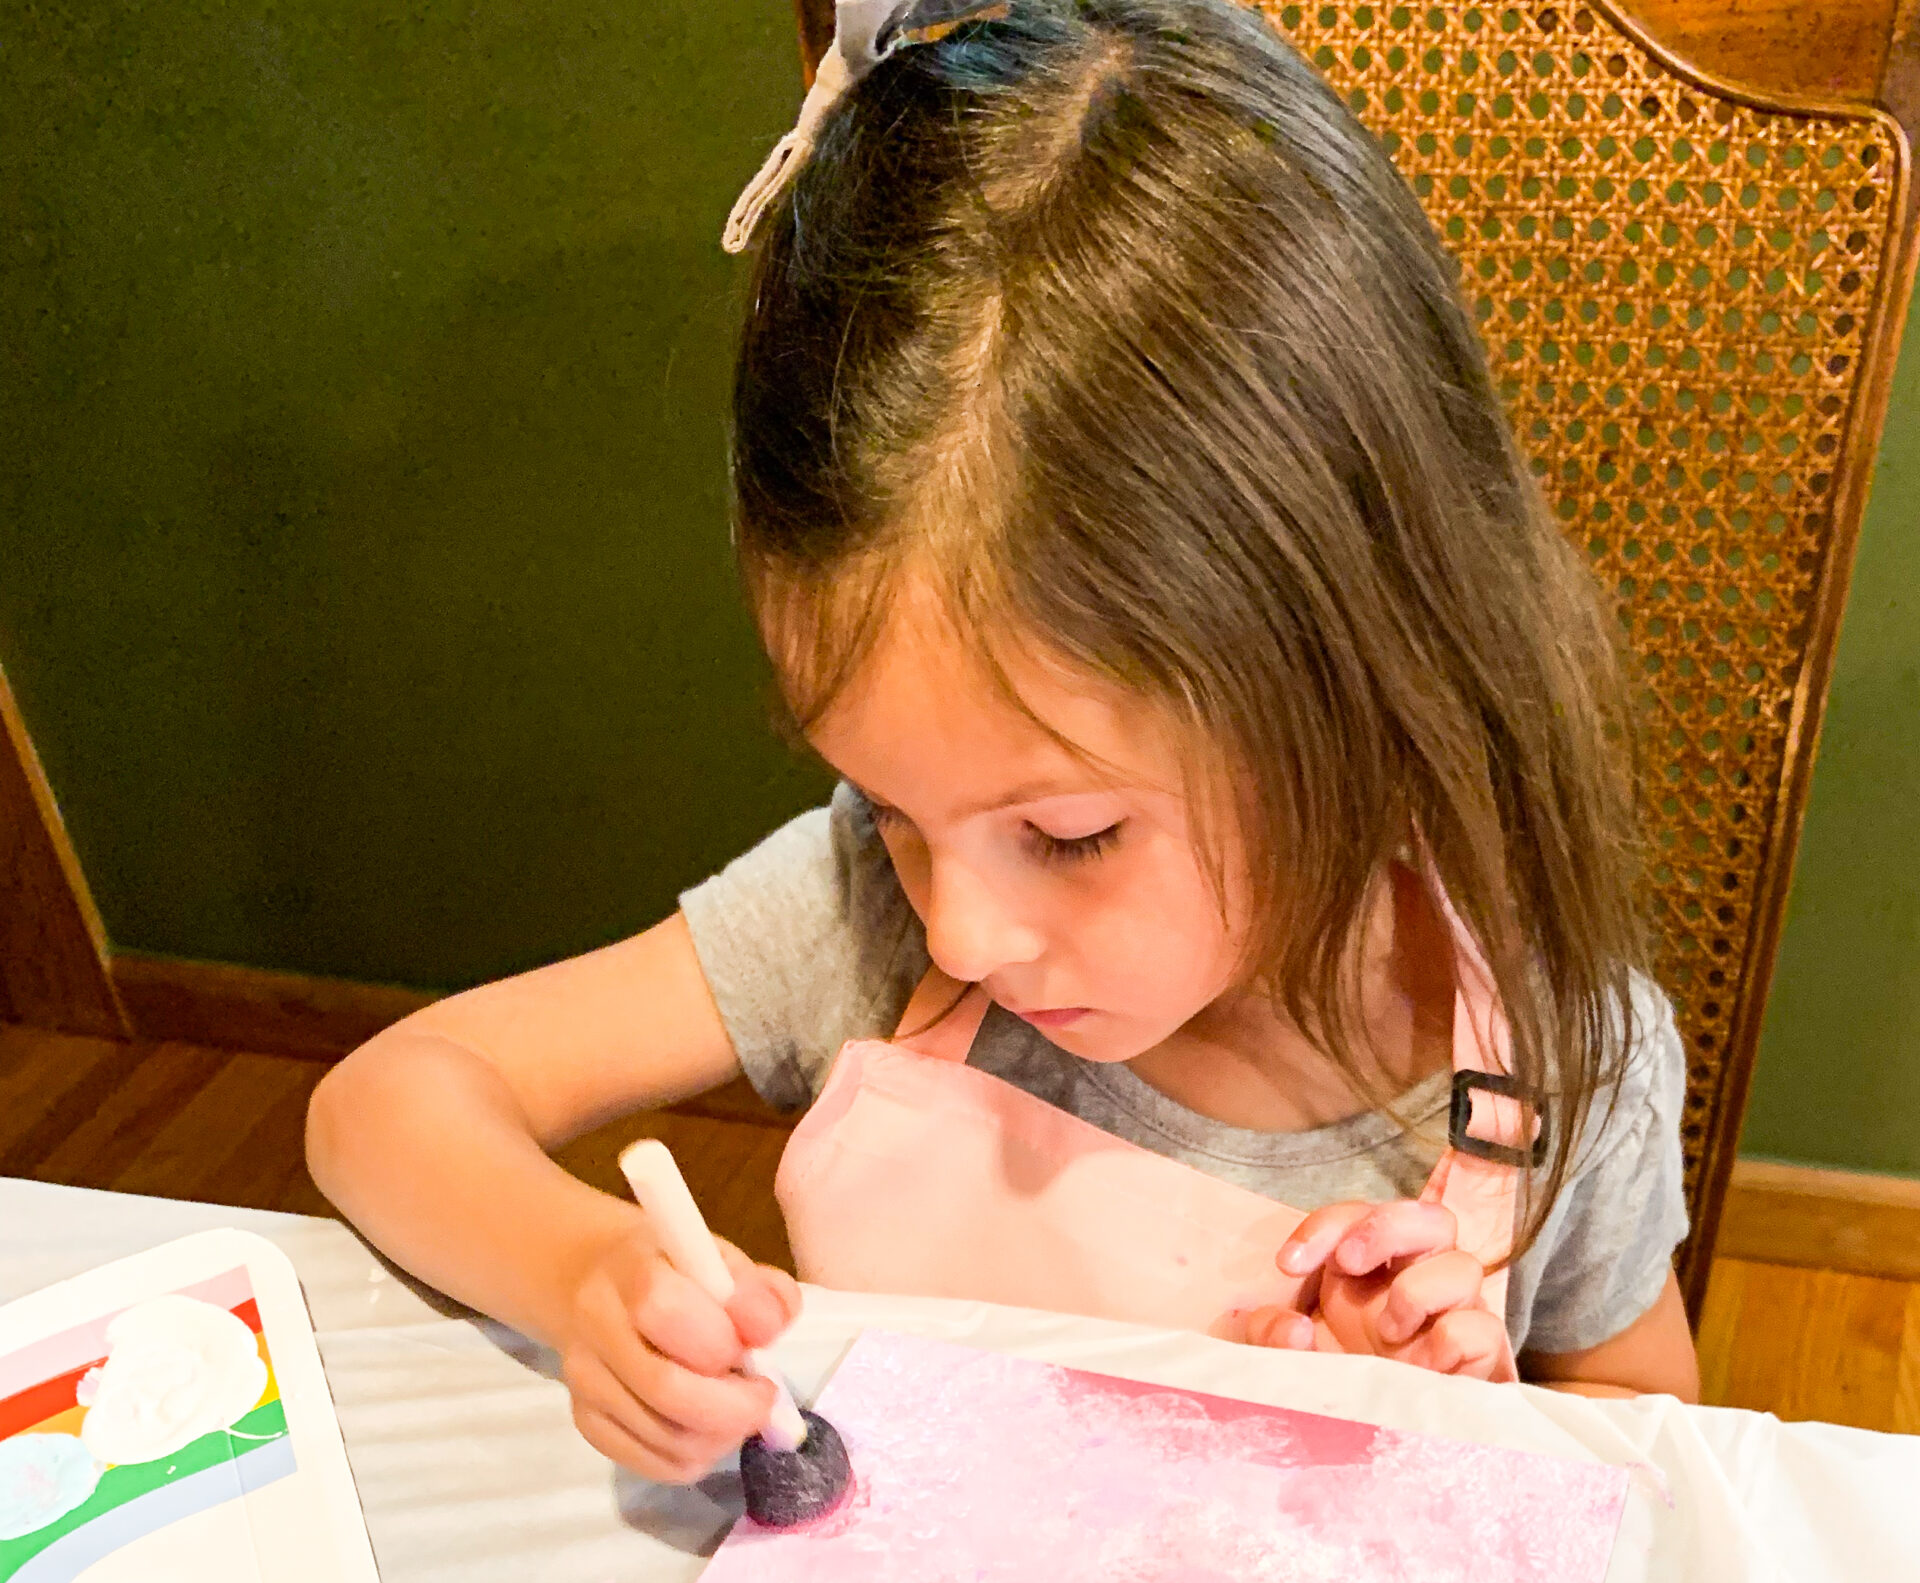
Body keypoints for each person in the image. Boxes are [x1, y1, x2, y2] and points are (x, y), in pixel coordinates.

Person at [307, 0, 1700, 1486]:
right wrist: (585, 1274)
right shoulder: (866, 914)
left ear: (1362, 677)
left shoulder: (1562, 1058)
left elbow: (1664, 1447)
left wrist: (1469, 1421)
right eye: (895, 805)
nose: (961, 927)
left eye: (1070, 834)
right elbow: (384, 1104)